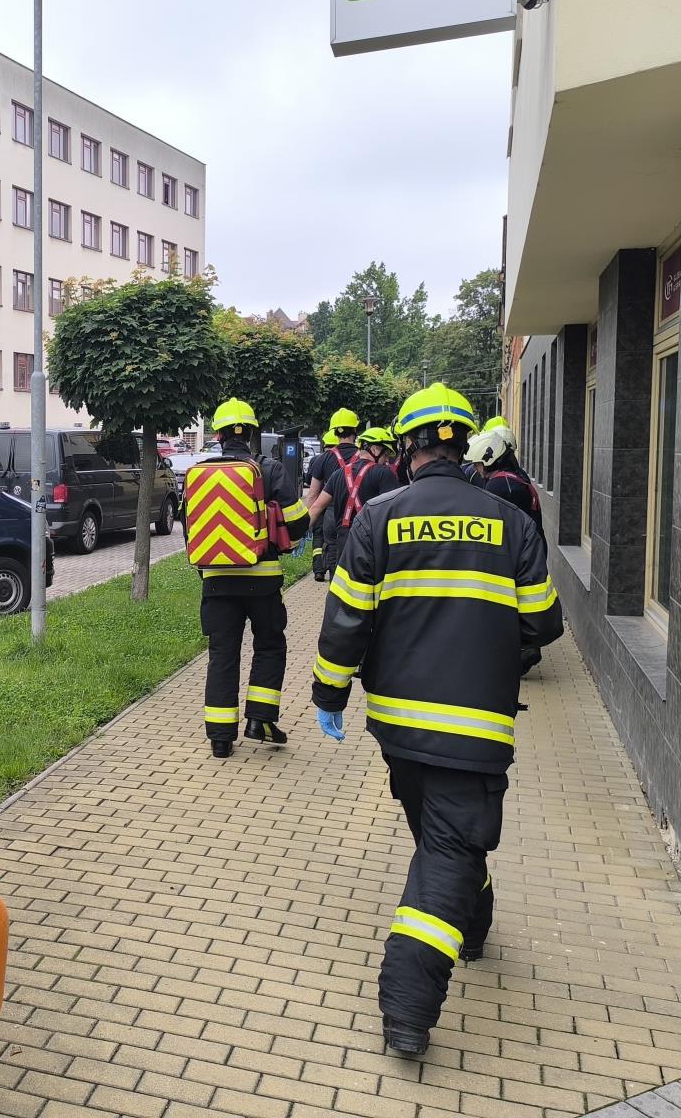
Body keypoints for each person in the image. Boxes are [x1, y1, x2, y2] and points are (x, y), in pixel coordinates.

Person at [310, 383, 564, 1057]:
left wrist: (329, 695)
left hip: (397, 728)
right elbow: (545, 621)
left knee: (444, 839)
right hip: (476, 728)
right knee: (451, 847)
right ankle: (407, 1008)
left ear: (407, 447)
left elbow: (345, 621)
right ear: (463, 446)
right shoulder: (509, 522)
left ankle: (470, 928)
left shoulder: (377, 519)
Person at [192, 398, 309, 757]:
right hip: (263, 579)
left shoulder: (200, 472)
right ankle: (260, 720)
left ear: (218, 435)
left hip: (217, 581)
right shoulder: (270, 469)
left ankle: (220, 739)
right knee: (270, 646)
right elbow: (298, 522)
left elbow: (190, 528)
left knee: (222, 655)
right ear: (253, 433)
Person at [307, 423, 400, 581]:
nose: (386, 460)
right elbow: (395, 512)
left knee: (339, 588)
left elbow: (316, 506)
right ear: (375, 449)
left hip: (343, 544)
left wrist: (296, 536)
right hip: (371, 546)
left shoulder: (338, 474)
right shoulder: (384, 474)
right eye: (385, 455)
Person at [305, 408, 361, 581]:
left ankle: (335, 588)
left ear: (335, 432)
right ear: (355, 430)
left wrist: (305, 525)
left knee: (333, 553)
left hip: (331, 514)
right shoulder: (363, 456)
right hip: (359, 513)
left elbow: (312, 495)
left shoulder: (323, 459)